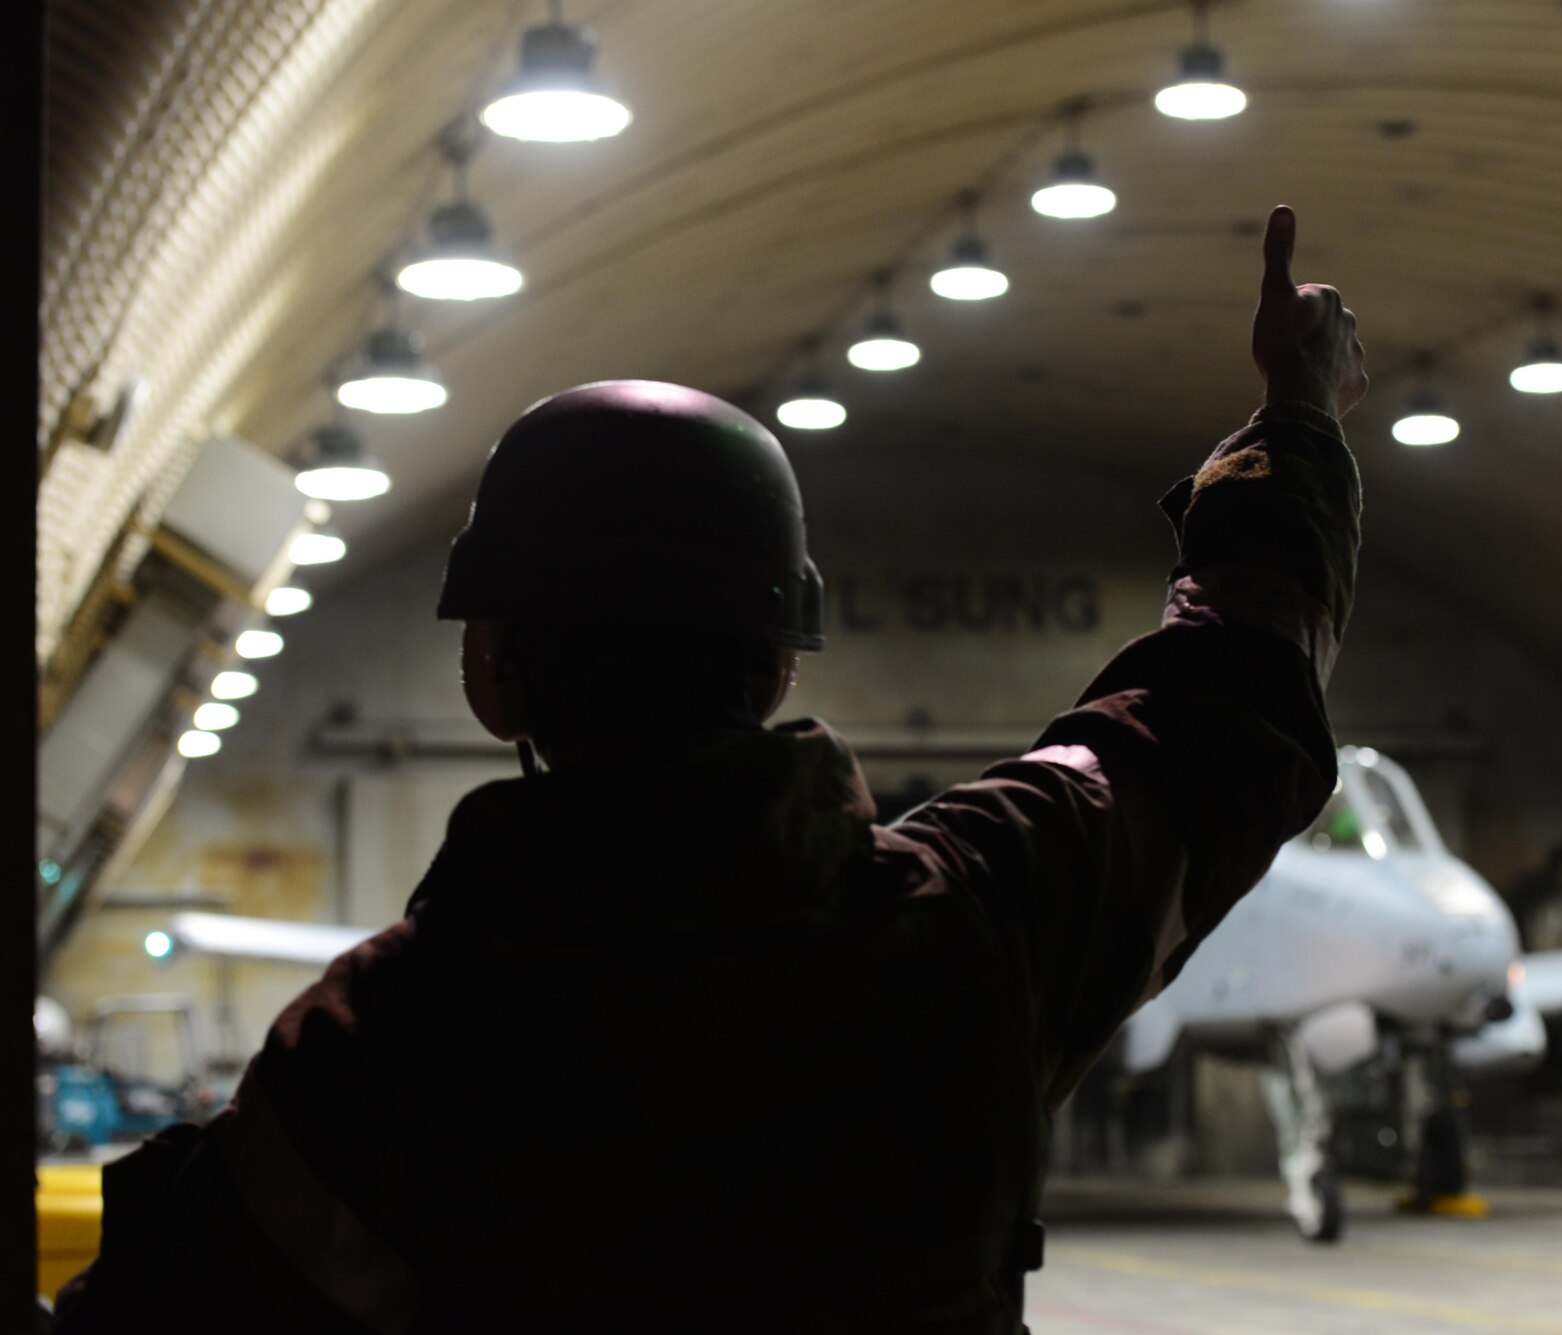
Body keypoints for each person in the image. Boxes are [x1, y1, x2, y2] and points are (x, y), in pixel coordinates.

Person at [55, 205, 1366, 1333]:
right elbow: (1218, 699)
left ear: (490, 671)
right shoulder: (982, 919)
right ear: (781, 661)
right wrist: (1295, 419)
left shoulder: (374, 1048)